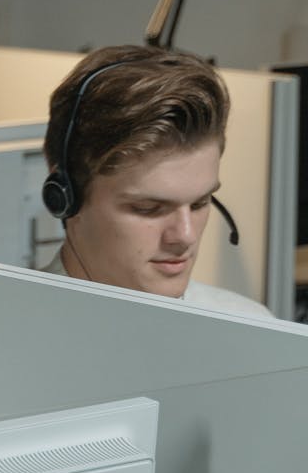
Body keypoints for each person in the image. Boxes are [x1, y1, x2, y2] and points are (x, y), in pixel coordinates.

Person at [40, 44, 273, 318]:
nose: (185, 236)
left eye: (200, 203)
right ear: (65, 198)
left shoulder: (252, 327)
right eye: (148, 208)